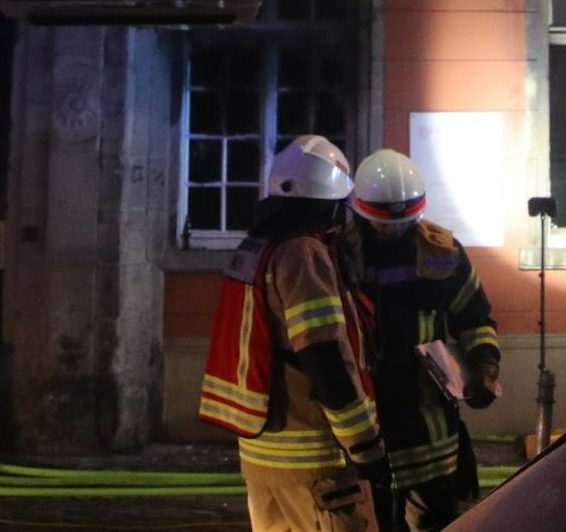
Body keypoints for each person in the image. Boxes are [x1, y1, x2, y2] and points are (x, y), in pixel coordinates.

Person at [199, 135, 389, 532]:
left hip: (262, 457)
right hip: (316, 462)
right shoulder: (303, 253)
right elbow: (324, 355)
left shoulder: (256, 248)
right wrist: (364, 444)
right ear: (331, 204)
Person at [346, 149, 501, 532]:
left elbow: (474, 317)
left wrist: (485, 366)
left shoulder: (443, 251)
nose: (394, 230)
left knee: (439, 519)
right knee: (376, 519)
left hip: (428, 419)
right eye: (384, 224)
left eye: (403, 222)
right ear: (362, 212)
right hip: (369, 415)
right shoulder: (339, 253)